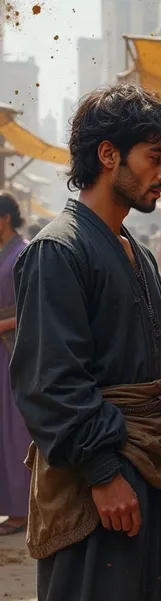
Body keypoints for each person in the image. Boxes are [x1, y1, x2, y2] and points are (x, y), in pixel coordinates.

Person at [10, 84, 161, 601]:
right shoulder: (58, 250)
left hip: (150, 474)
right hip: (99, 486)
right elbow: (51, 382)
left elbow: (160, 362)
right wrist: (101, 469)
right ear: (109, 155)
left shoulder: (136, 251)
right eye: (155, 157)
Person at [0, 192, 31, 536]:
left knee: (14, 431)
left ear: (5, 218)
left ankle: (21, 510)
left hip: (13, 352)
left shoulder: (23, 253)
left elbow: (31, 307)